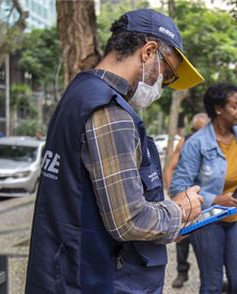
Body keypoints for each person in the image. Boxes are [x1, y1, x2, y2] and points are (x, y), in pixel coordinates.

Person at [25, 9, 205, 293]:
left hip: (65, 271)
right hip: (95, 279)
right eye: (167, 73)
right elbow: (130, 220)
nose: (162, 85)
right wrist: (180, 211)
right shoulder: (110, 111)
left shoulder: (79, 93)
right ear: (148, 51)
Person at [170, 83, 237, 294]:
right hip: (208, 219)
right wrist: (216, 199)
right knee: (212, 284)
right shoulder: (197, 143)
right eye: (234, 106)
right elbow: (178, 187)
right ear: (218, 109)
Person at [163, 112, 210, 289]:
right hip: (186, 198)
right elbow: (170, 168)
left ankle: (212, 276)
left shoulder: (214, 141)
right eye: (195, 130)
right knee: (182, 239)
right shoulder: (185, 141)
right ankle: (182, 271)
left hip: (206, 199)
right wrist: (172, 194)